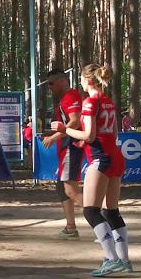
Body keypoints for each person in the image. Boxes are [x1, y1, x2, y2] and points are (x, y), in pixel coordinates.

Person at [53, 64, 132, 277]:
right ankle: (124, 260)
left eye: (80, 79)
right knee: (111, 211)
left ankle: (111, 258)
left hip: (101, 158)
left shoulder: (90, 102)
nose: (79, 83)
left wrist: (64, 129)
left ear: (87, 80)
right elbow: (112, 133)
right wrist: (89, 141)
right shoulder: (108, 101)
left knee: (91, 210)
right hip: (114, 155)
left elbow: (89, 135)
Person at [42, 70, 83, 240]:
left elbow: (75, 121)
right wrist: (51, 133)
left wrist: (54, 137)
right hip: (66, 147)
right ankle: (70, 228)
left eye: (51, 83)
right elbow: (67, 124)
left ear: (62, 81)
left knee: (70, 189)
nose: (49, 87)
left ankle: (102, 218)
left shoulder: (70, 97)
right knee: (61, 188)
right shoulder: (66, 98)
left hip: (71, 147)